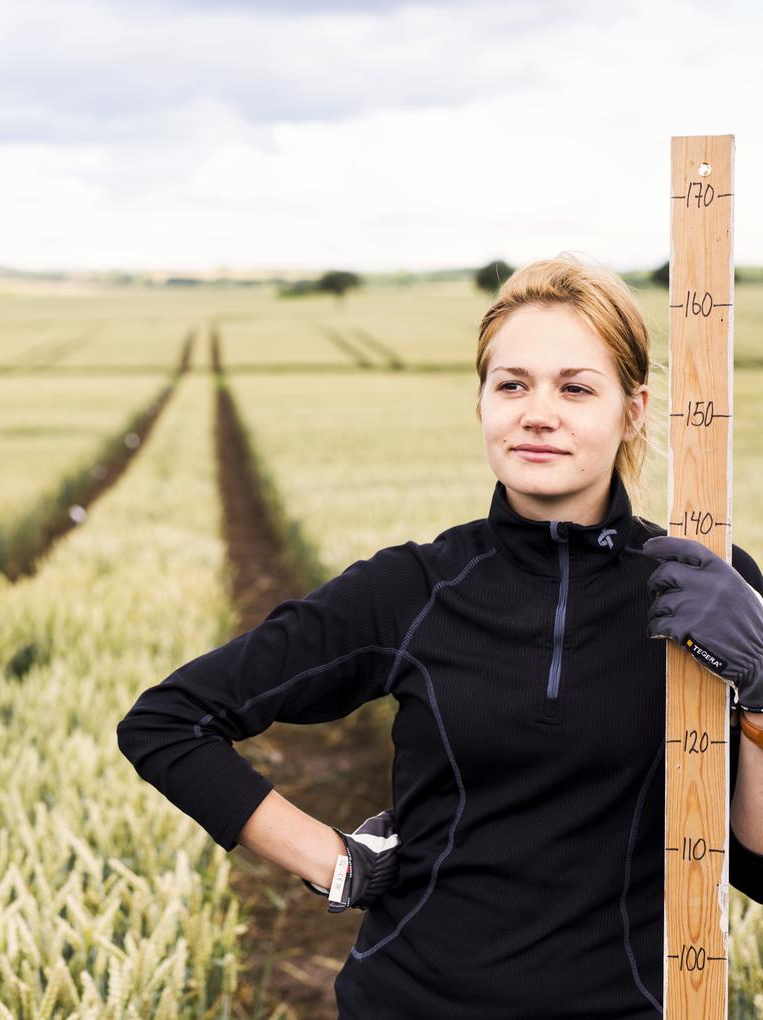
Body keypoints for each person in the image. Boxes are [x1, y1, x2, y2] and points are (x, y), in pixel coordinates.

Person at [116, 255, 763, 1018]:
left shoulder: (710, 586)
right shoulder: (415, 589)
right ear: (483, 402)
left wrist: (760, 688)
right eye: (512, 384)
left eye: (576, 387)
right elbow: (168, 722)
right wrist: (332, 863)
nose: (538, 412)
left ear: (634, 409)